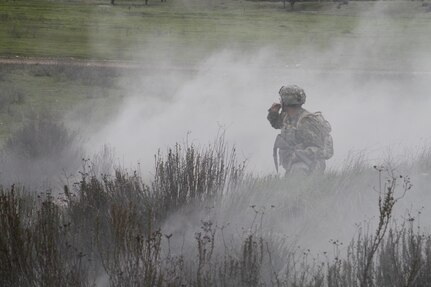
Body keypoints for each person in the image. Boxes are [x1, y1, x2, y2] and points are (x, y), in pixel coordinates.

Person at [267, 85, 333, 175]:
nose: (280, 101)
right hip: (295, 163)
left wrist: (298, 154)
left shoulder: (306, 122)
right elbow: (276, 124)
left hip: (309, 165)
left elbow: (319, 148)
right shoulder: (287, 116)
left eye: (281, 99)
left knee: (297, 174)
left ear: (286, 101)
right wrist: (273, 112)